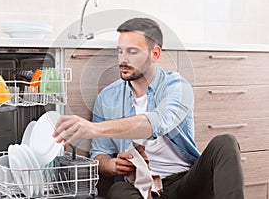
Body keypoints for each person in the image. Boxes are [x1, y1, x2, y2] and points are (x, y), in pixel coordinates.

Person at [53, 18, 244, 199]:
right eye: (120, 51)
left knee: (225, 142)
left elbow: (157, 122)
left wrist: (94, 128)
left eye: (132, 52)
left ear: (155, 54)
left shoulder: (177, 86)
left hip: (185, 181)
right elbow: (99, 154)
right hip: (141, 186)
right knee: (118, 190)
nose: (123, 59)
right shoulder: (107, 98)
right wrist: (111, 165)